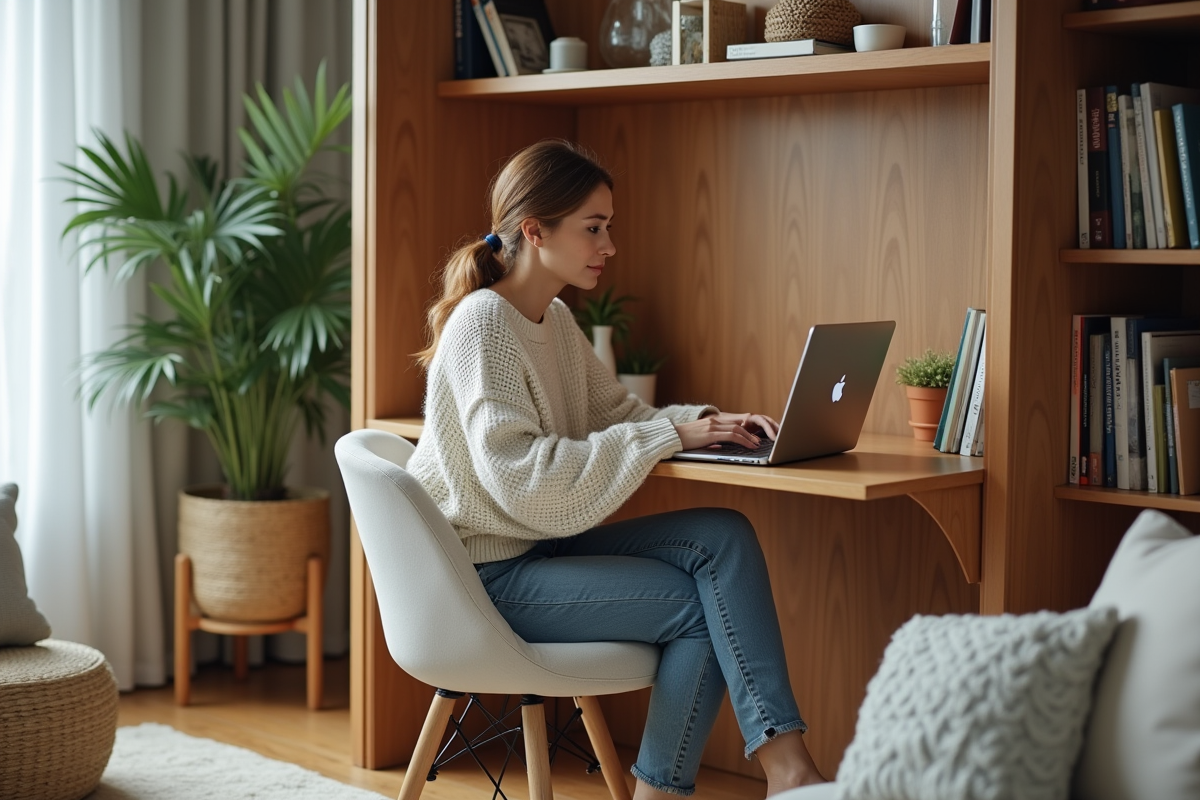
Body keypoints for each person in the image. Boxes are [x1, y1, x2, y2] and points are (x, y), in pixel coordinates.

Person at [407, 139, 826, 798]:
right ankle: (693, 786)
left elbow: (618, 413)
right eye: (593, 228)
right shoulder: (484, 324)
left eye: (609, 226)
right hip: (489, 579)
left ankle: (788, 770)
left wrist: (714, 424)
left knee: (724, 536)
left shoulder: (555, 318)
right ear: (534, 230)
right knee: (702, 609)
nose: (609, 245)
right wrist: (668, 433)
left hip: (539, 549)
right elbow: (521, 477)